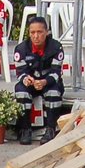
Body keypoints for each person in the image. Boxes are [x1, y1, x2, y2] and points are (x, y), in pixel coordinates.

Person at [11, 15, 67, 144]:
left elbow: (56, 72)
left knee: (54, 92)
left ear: (46, 32)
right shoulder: (21, 49)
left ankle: (51, 129)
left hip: (49, 82)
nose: (36, 36)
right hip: (31, 84)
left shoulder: (56, 47)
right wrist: (26, 79)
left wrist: (44, 82)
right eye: (32, 32)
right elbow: (20, 72)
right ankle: (25, 129)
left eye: (40, 32)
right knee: (20, 90)